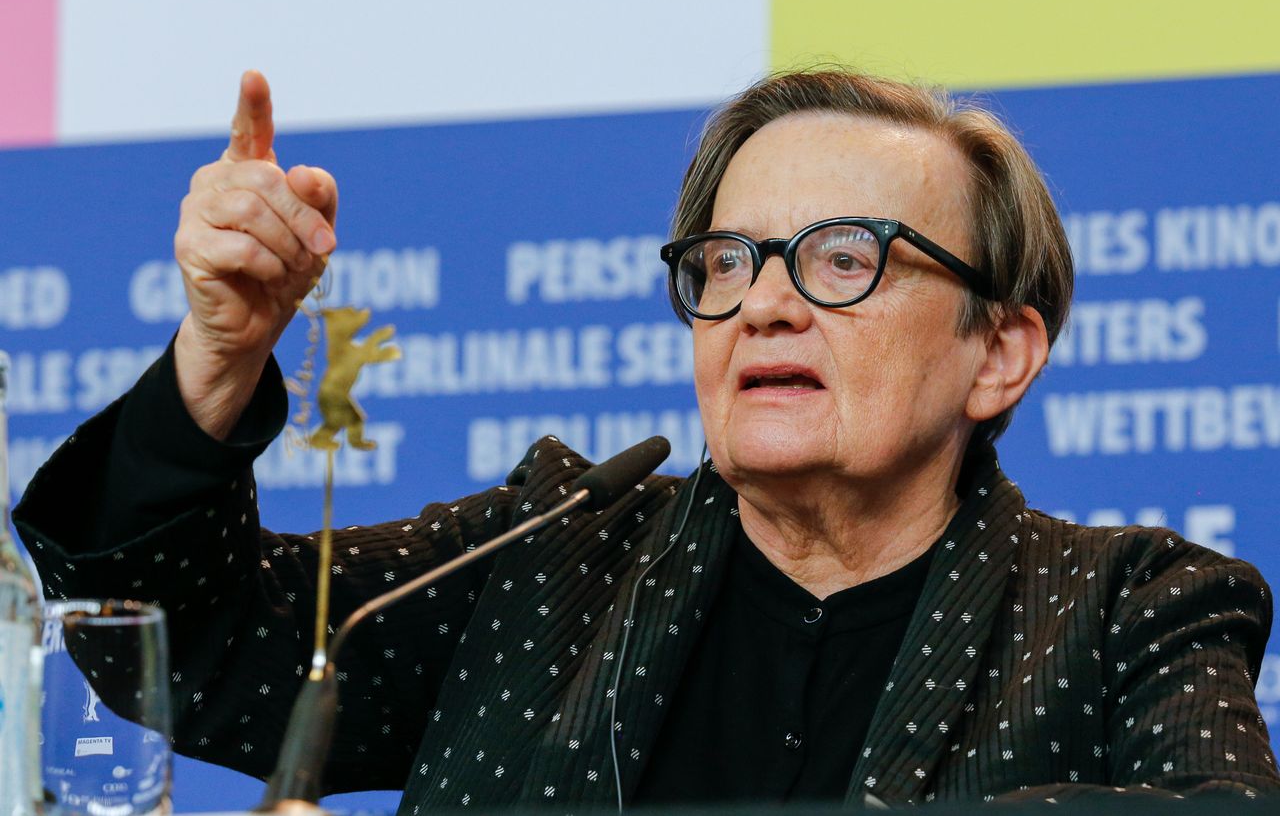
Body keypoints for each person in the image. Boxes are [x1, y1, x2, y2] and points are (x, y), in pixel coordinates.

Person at [15, 69, 1279, 810]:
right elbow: (172, 633)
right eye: (726, 262)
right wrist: (221, 359)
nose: (765, 301)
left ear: (998, 350)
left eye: (842, 258)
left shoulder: (1127, 607)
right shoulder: (550, 555)